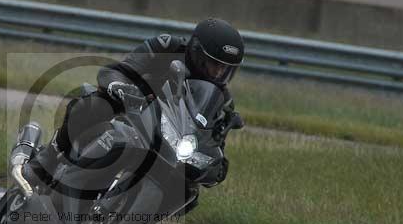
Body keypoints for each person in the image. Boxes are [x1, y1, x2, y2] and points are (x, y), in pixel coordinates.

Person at [30, 17, 245, 188]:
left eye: (225, 68)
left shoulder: (222, 100)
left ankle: (139, 216)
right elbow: (119, 70)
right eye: (214, 64)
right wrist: (120, 86)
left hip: (168, 139)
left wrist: (217, 166)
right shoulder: (167, 47)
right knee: (95, 105)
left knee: (189, 189)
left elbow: (213, 142)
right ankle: (49, 158)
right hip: (131, 109)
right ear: (196, 51)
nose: (218, 72)